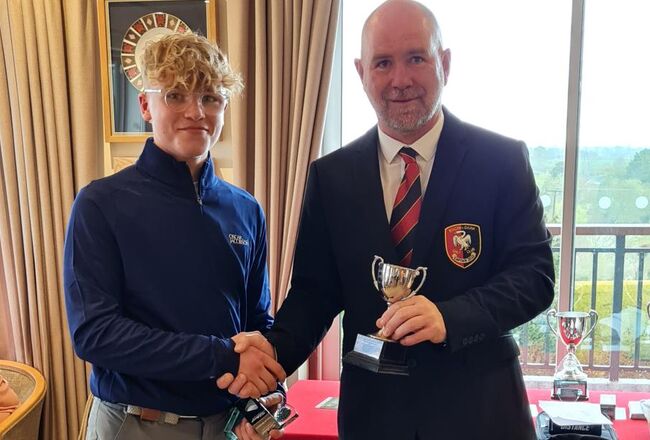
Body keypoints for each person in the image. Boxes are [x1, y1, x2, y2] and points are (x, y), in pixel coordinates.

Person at [221, 1, 555, 439]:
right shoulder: (331, 176)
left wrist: (449, 317)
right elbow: (314, 295)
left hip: (481, 412)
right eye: (383, 63)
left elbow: (534, 277)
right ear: (361, 72)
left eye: (416, 58)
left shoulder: (501, 161)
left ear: (445, 63)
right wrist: (270, 355)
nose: (400, 79)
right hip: (374, 417)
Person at [63, 33, 285, 440]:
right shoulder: (100, 204)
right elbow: (96, 335)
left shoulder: (246, 210)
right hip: (135, 424)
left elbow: (257, 323)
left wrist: (265, 396)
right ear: (146, 105)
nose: (195, 112)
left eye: (210, 97)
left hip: (226, 426)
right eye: (176, 95)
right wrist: (221, 357)